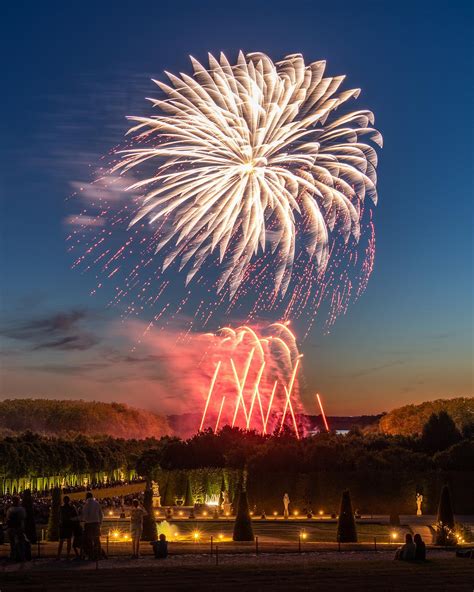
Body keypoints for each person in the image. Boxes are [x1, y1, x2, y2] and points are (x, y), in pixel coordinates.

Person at [81, 492, 103, 560]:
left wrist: (83, 520)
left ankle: (91, 555)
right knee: (97, 540)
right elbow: (101, 514)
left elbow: (84, 515)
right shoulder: (97, 503)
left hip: (89, 524)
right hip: (96, 523)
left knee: (89, 540)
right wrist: (100, 523)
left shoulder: (86, 505)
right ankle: (98, 555)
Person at [6, 496, 26, 562]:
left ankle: (13, 556)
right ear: (18, 501)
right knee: (21, 543)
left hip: (11, 528)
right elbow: (24, 517)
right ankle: (21, 557)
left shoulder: (10, 509)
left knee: (12, 544)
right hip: (19, 528)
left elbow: (7, 518)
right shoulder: (21, 509)